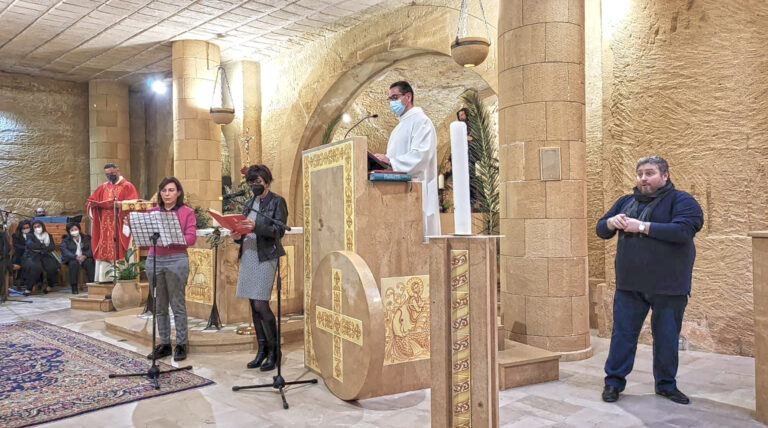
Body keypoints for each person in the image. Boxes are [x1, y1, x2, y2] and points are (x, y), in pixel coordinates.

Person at [596, 156, 703, 405]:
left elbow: (684, 230)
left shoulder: (681, 200)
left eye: (650, 173)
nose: (643, 178)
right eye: (640, 173)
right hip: (629, 285)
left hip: (669, 286)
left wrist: (641, 226)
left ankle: (666, 385)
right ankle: (613, 383)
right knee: (622, 335)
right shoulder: (626, 201)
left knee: (666, 338)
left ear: (665, 176)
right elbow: (601, 230)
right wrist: (611, 222)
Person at [231, 164, 288, 372]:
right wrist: (237, 236)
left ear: (266, 181)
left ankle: (275, 352)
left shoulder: (277, 201)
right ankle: (261, 350)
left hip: (266, 256)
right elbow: (244, 231)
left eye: (258, 182)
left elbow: (279, 231)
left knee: (261, 304)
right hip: (248, 254)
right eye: (251, 182)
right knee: (253, 305)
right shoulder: (248, 203)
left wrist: (256, 227)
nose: (255, 185)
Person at [373, 81, 440, 240]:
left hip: (416, 192)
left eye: (395, 97)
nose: (392, 103)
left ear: (408, 96)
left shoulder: (421, 121)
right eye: (389, 99)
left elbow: (420, 156)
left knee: (417, 241)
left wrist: (390, 162)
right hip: (398, 193)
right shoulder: (398, 128)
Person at [144, 177, 197, 362]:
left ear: (179, 193)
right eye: (164, 190)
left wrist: (173, 235)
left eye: (171, 190)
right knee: (159, 306)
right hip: (155, 259)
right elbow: (143, 235)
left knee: (177, 304)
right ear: (160, 193)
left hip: (176, 259)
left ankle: (181, 343)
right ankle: (165, 343)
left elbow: (191, 238)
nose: (167, 194)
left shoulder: (186, 212)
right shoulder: (151, 213)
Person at [86, 163, 139, 282]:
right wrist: (92, 205)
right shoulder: (103, 187)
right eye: (107, 175)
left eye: (112, 174)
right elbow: (90, 201)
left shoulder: (127, 186)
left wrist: (121, 204)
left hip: (119, 223)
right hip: (104, 225)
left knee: (119, 247)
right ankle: (104, 278)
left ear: (118, 171)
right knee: (104, 247)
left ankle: (122, 276)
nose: (110, 176)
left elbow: (135, 203)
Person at [22, 220, 60, 296]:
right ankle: (29, 288)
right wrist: (43, 246)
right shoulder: (30, 235)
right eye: (35, 227)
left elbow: (52, 247)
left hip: (46, 254)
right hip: (34, 255)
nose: (37, 228)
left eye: (38, 226)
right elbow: (30, 245)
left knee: (52, 267)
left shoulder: (48, 235)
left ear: (42, 226)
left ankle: (50, 285)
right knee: (36, 267)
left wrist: (41, 248)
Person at [60, 223, 95, 294]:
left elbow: (92, 249)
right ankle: (74, 286)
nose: (74, 231)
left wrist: (85, 256)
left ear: (79, 229)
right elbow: (64, 250)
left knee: (90, 262)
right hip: (72, 258)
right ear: (69, 231)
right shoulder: (66, 239)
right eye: (72, 230)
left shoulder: (86, 238)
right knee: (73, 264)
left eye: (76, 229)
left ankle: (92, 285)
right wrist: (75, 256)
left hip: (84, 258)